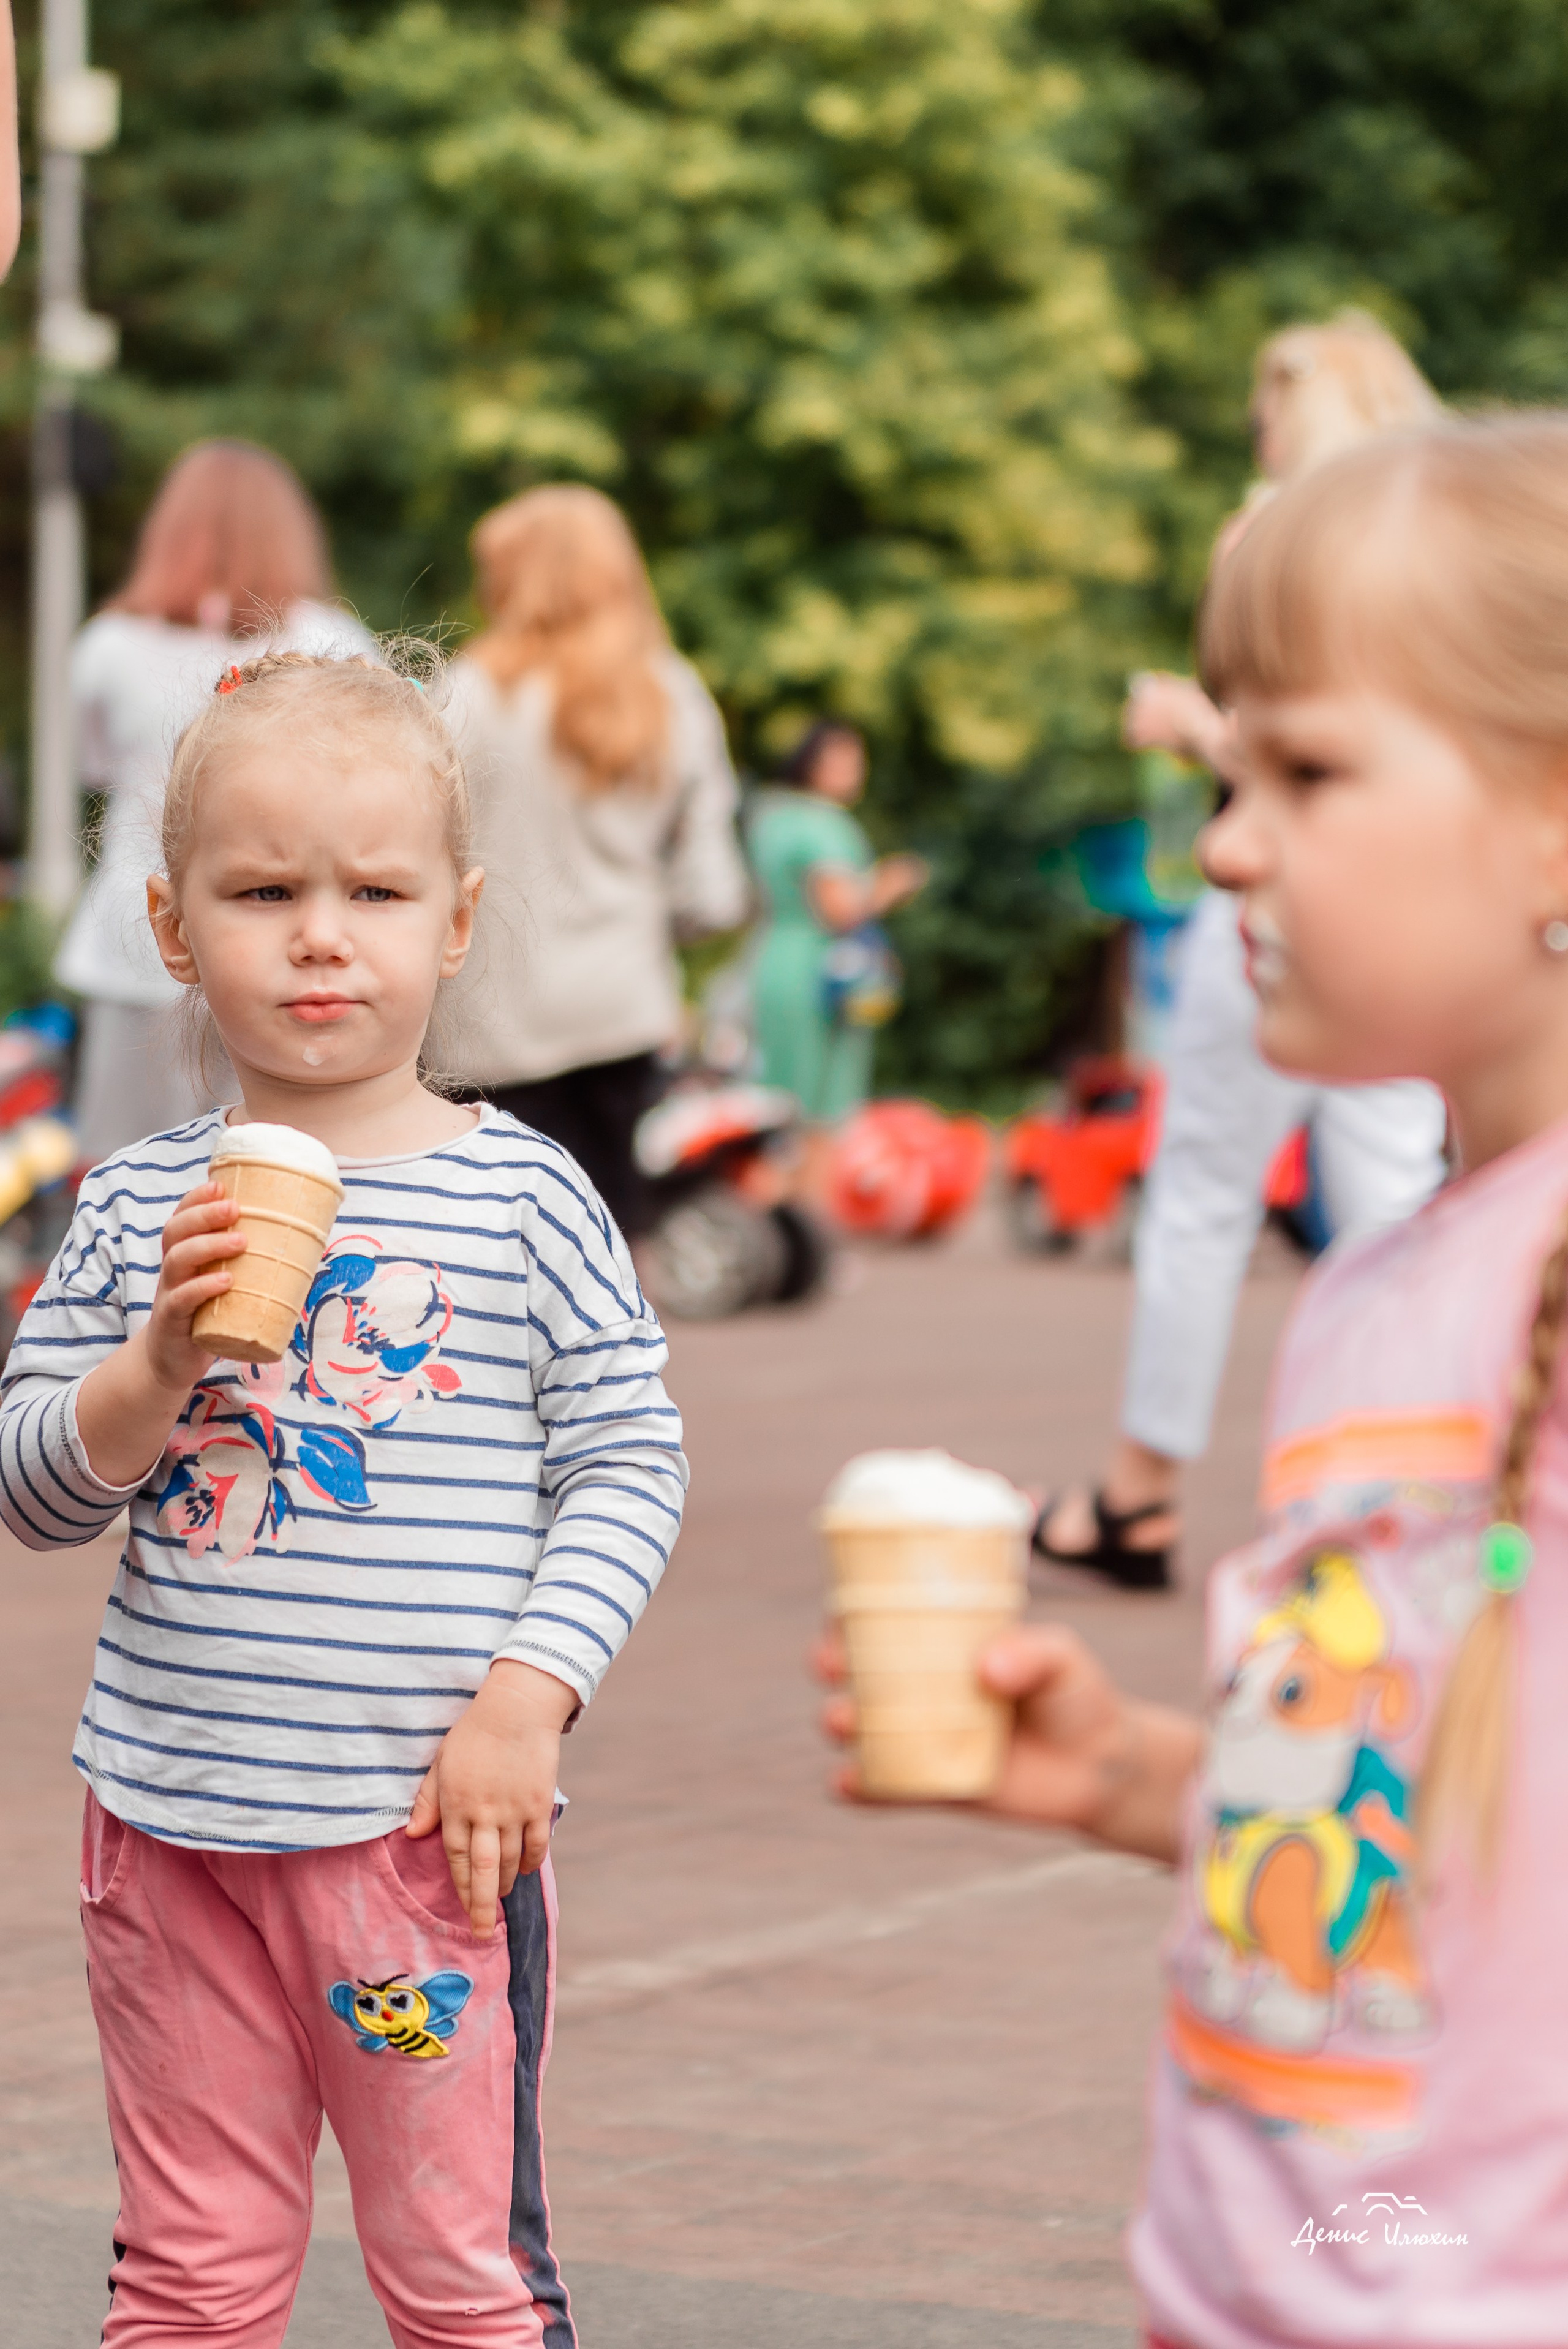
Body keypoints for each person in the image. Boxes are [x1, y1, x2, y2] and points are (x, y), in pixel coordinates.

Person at [824, 409, 1568, 2347]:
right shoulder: (1365, 1295)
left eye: (1304, 770)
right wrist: (1151, 1775)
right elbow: (1435, 1806)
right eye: (1225, 770)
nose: (1223, 841)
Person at [1, 650, 684, 2343]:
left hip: (419, 1851)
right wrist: (153, 1363)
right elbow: (34, 1493)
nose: (322, 933)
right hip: (166, 1835)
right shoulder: (133, 1201)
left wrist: (532, 1695)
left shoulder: (527, 1197)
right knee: (190, 2273)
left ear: (454, 921)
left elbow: (629, 1455)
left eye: (374, 890)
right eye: (263, 890)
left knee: (457, 2275)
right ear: (171, 927)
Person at [1038, 315, 1447, 1588]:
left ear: (1291, 413)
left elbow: (1280, 746)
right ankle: (1416, 1476)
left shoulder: (1268, 531)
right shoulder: (1436, 536)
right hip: (1398, 890)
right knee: (1392, 1197)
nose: (1254, 436)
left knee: (1204, 1195)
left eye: (1264, 413)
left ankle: (1138, 1498)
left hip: (1272, 898)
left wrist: (1182, 720)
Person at [55, 440, 377, 1163]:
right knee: (283, 1164)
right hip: (280, 941)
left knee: (125, 1171)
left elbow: (94, 768)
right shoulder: (329, 639)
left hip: (135, 940)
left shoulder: (107, 647)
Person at [444, 485, 749, 1240]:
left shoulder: (469, 694)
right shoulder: (671, 693)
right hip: (621, 1011)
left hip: (486, 1021)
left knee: (489, 1253)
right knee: (605, 1247)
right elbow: (711, 895)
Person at [747, 721, 927, 1195]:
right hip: (821, 976)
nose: (854, 770)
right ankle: (802, 1236)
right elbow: (841, 908)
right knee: (817, 1117)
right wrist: (890, 882)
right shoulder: (821, 824)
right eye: (840, 759)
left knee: (777, 1113)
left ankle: (774, 1236)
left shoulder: (773, 816)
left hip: (775, 960)